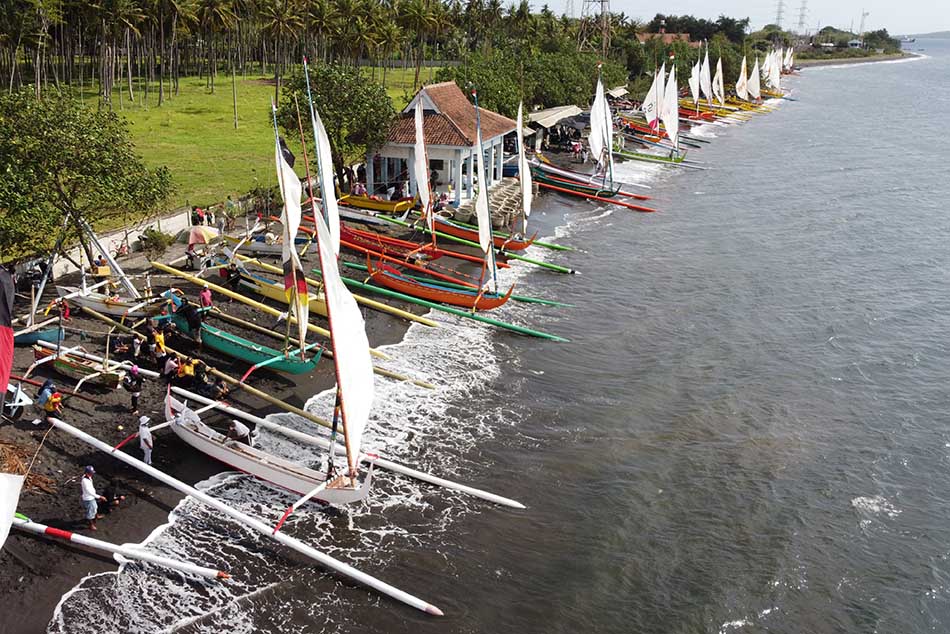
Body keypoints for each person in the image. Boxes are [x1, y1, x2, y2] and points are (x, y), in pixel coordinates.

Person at [80, 466, 106, 531]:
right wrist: (100, 497)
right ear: (87, 473)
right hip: (89, 498)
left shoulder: (87, 477)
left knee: (95, 507)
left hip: (91, 497)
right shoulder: (85, 481)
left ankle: (96, 516)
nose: (92, 474)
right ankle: (91, 525)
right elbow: (90, 492)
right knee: (90, 512)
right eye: (91, 473)